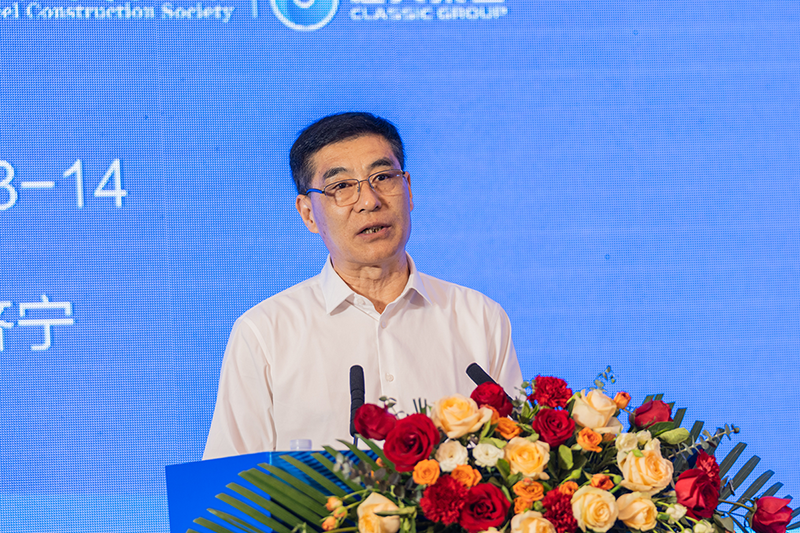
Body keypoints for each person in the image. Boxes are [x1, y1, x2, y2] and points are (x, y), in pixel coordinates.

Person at [203, 112, 522, 459]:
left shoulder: (480, 319)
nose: (369, 201)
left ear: (408, 190)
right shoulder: (265, 334)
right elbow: (226, 485)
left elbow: (518, 460)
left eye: (383, 177)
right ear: (308, 213)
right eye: (341, 187)